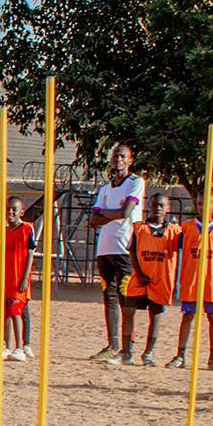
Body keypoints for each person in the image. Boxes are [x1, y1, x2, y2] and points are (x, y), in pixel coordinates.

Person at [89, 143, 146, 360]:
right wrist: (109, 213)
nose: (118, 160)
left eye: (122, 156)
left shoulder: (136, 182)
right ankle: (112, 344)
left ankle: (127, 348)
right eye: (115, 156)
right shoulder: (105, 188)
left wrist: (105, 212)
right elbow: (93, 221)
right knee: (109, 296)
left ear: (130, 160)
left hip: (126, 247)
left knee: (126, 298)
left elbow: (126, 212)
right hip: (105, 248)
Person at [168, 201, 213, 371]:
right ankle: (180, 355)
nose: (202, 207)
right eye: (199, 203)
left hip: (212, 279)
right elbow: (178, 245)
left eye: (206, 203)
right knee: (188, 315)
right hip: (192, 278)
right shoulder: (187, 227)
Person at [125, 193, 177, 366]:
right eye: (155, 205)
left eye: (162, 206)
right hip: (140, 277)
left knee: (155, 315)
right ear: (149, 206)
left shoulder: (174, 231)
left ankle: (148, 353)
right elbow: (132, 251)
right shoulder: (139, 228)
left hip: (160, 280)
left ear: (168, 209)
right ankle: (127, 351)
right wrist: (139, 272)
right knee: (128, 311)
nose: (158, 208)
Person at [0, 195, 36, 360]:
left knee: (16, 311)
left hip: (18, 277)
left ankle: (20, 347)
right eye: (8, 209)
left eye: (14, 209)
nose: (10, 212)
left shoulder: (27, 229)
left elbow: (30, 253)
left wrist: (25, 278)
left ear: (21, 212)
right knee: (4, 312)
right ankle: (7, 346)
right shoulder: (2, 231)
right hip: (4, 277)